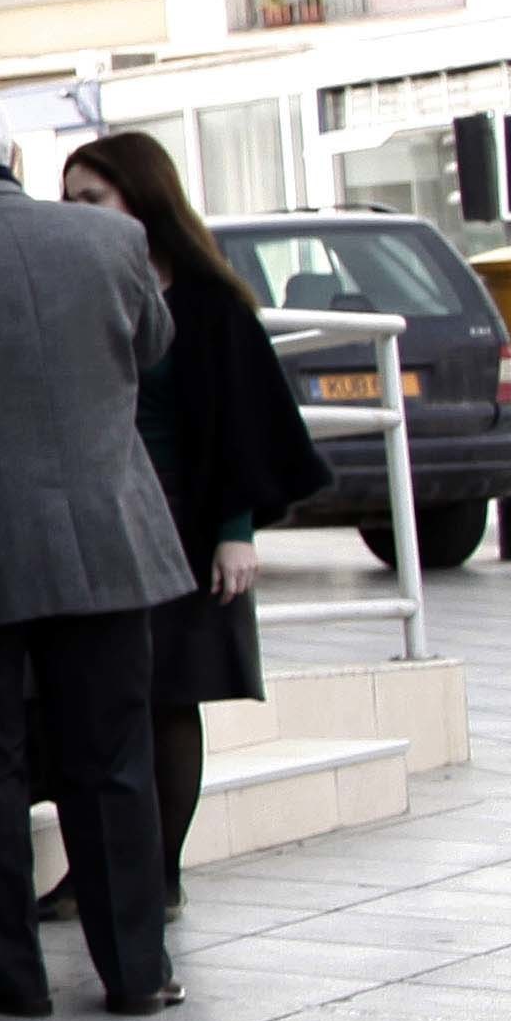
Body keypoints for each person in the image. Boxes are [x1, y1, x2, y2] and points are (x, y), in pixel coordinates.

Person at [0, 84, 193, 1014]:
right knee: (113, 763)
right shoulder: (111, 241)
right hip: (106, 544)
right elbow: (151, 346)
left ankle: (4, 971)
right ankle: (138, 970)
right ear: (11, 156)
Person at [68, 130, 327, 881]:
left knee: (172, 696)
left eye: (94, 198)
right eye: (70, 200)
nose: (78, 213)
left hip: (185, 519)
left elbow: (242, 423)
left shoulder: (209, 303)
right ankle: (112, 868)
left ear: (142, 200)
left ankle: (158, 874)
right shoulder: (83, 288)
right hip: (104, 517)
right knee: (107, 700)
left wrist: (235, 532)